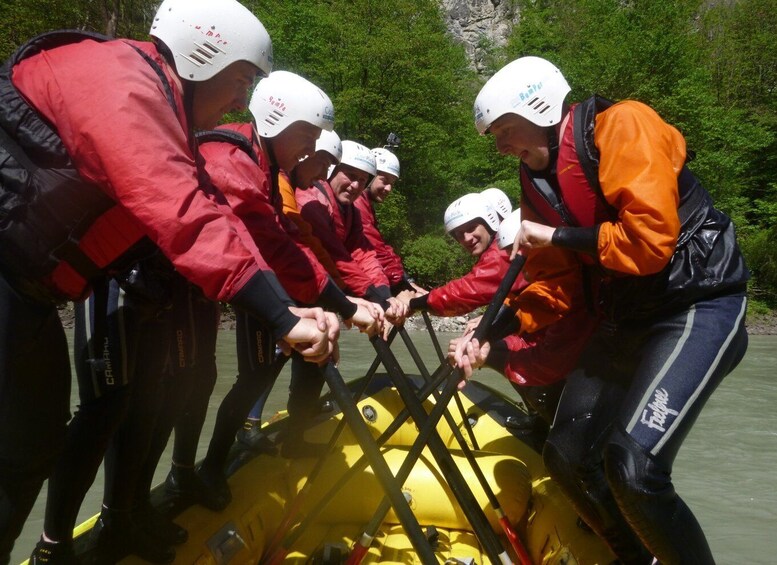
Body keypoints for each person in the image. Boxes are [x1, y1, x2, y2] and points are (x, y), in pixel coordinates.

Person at [0, 0, 337, 562]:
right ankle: (57, 546)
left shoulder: (162, 105)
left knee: (32, 449)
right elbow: (181, 208)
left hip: (31, 291)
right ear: (206, 57)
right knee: (38, 445)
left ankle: (117, 519)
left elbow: (206, 206)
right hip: (13, 277)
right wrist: (282, 314)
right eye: (239, 82)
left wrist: (291, 308)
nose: (239, 100)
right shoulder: (122, 80)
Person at [460, 55, 750, 564]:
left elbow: (649, 244)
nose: (501, 145)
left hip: (696, 304)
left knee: (633, 467)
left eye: (505, 129)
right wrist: (491, 333)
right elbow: (554, 282)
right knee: (567, 457)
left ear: (541, 109)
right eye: (496, 137)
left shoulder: (623, 125)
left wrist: (555, 234)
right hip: (626, 315)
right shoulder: (536, 180)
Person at [403, 194, 591, 427]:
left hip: (550, 345)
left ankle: (548, 419)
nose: (466, 238)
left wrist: (415, 304)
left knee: (504, 356)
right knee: (491, 345)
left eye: (471, 228)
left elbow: (470, 290)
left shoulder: (503, 252)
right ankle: (543, 419)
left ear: (490, 221)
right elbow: (524, 301)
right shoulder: (507, 248)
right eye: (458, 234)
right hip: (541, 335)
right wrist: (484, 330)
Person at [353, 147, 421, 295]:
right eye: (384, 181)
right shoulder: (357, 205)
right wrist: (401, 285)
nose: (389, 188)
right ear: (369, 177)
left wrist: (406, 279)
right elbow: (375, 249)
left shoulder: (364, 204)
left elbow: (382, 247)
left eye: (392, 183)